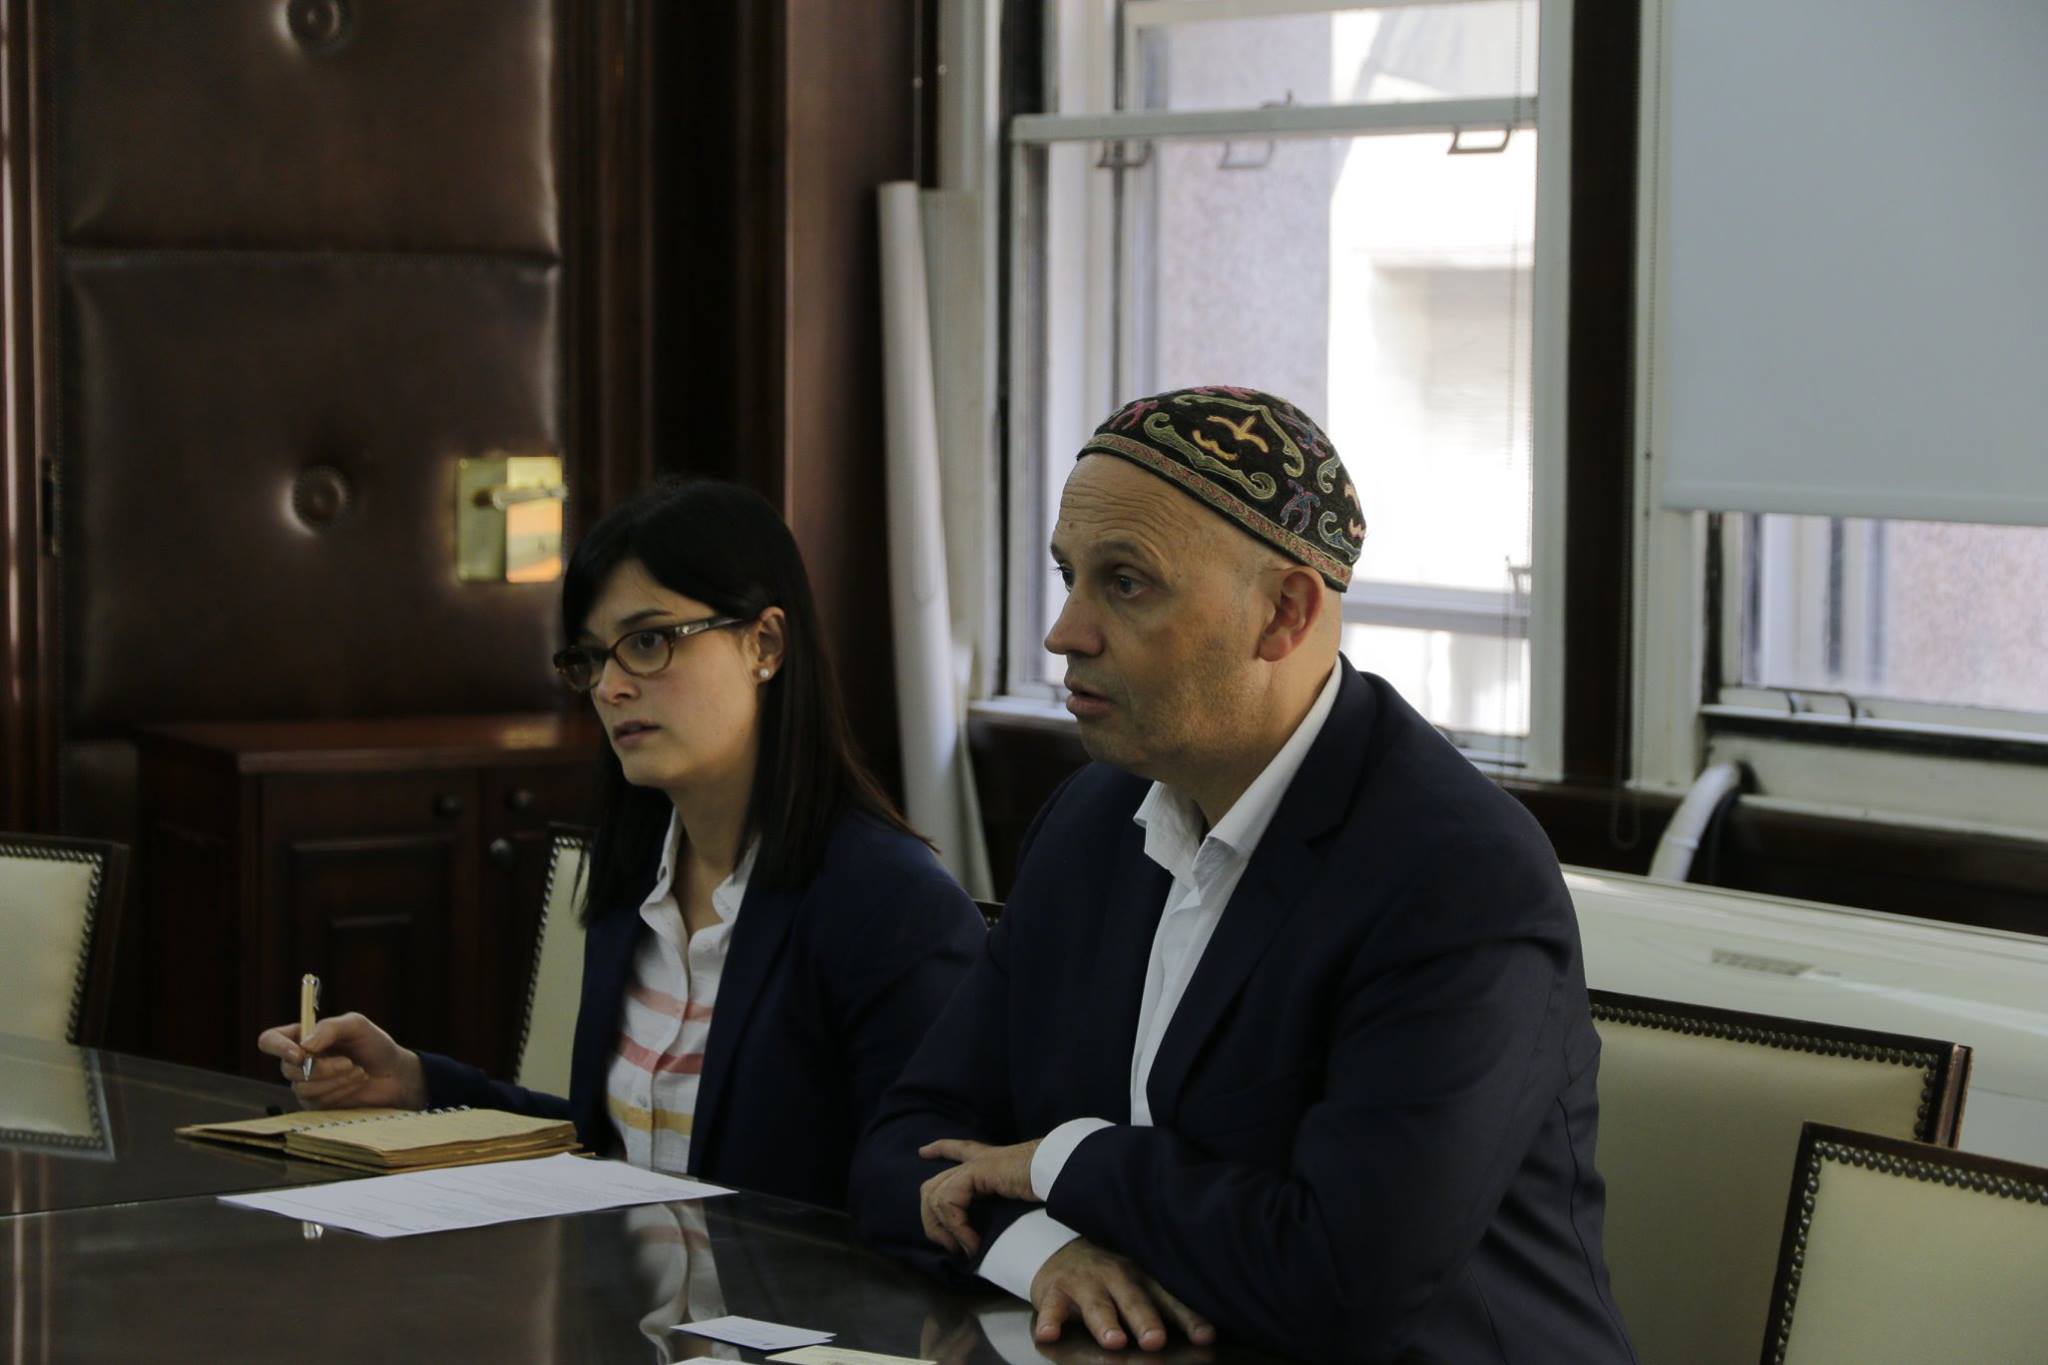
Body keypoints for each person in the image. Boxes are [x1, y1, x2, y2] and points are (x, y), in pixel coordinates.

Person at [852, 388, 1637, 1364]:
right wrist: (1042, 1252)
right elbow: (903, 1148)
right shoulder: (1090, 822)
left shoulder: (1455, 875)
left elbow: (1340, 1283)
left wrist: (1062, 1160)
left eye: (1125, 583)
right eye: (1068, 575)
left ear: (1283, 612)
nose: (1065, 632)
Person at [259, 479, 985, 1210]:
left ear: (764, 644)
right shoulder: (634, 870)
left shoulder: (892, 905)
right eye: (592, 658)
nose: (609, 687)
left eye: (647, 642)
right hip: (621, 1280)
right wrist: (416, 1083)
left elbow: (916, 1200)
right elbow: (609, 1150)